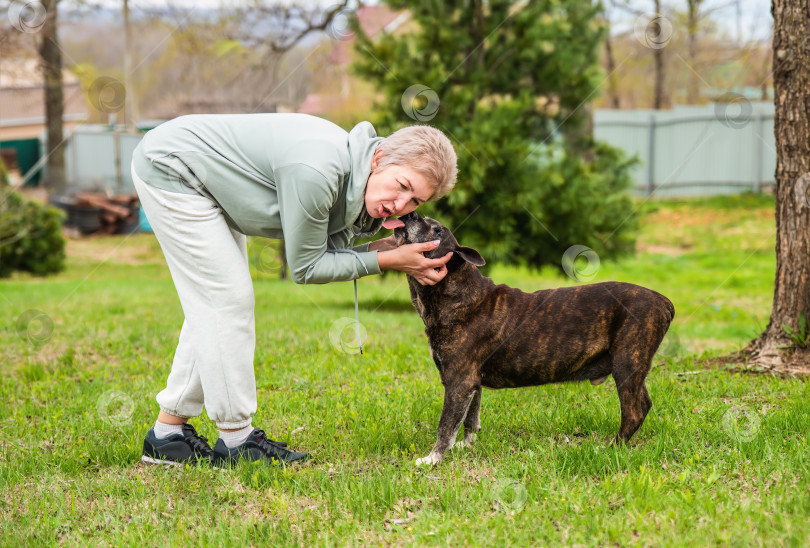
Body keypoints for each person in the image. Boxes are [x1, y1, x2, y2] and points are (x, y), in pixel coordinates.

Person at [132, 113, 458, 467]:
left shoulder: (352, 173)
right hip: (173, 168)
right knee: (226, 300)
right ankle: (237, 442)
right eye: (403, 185)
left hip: (206, 180)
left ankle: (168, 436)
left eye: (415, 202)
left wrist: (388, 251)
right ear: (379, 159)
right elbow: (306, 267)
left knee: (214, 303)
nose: (400, 205)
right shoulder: (317, 170)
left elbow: (331, 251)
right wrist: (390, 260)